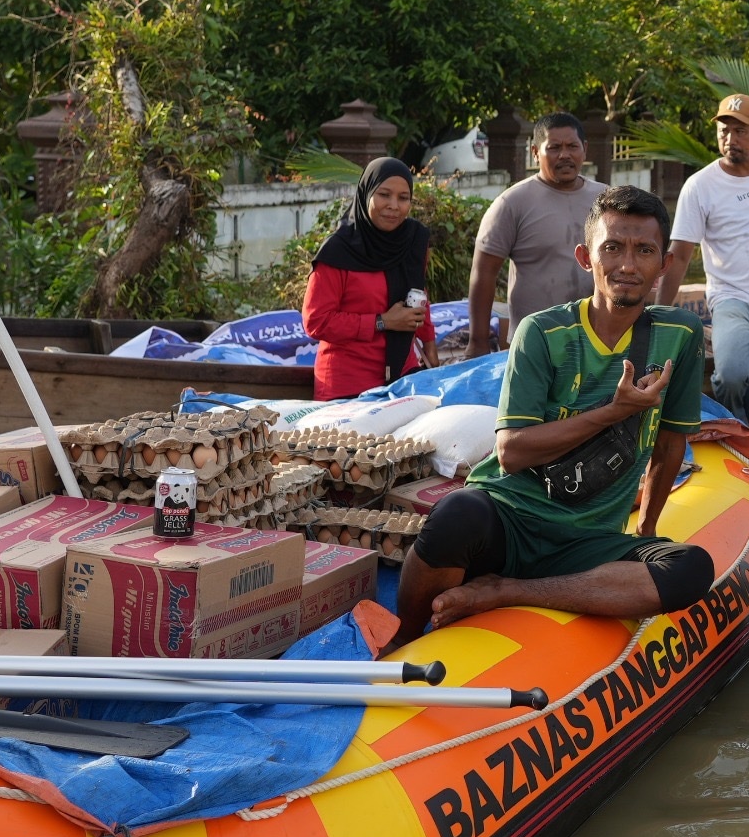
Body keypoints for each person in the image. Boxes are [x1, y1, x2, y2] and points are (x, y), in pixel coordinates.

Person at [393, 185, 716, 645]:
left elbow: (669, 441)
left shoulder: (679, 334)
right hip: (510, 520)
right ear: (586, 258)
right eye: (612, 249)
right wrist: (613, 412)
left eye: (644, 250)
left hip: (588, 539)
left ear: (664, 264)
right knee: (455, 514)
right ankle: (404, 638)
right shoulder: (542, 332)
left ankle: (508, 592)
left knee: (690, 568)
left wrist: (645, 530)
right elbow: (511, 453)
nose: (628, 265)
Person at [660, 92, 749, 443]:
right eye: (724, 130)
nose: (730, 139)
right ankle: (734, 433)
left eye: (740, 131)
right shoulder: (700, 185)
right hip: (730, 298)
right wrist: (659, 313)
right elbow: (679, 253)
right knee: (731, 373)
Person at [467, 113, 608, 357]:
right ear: (535, 152)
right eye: (554, 148)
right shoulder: (512, 203)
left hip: (596, 341)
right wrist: (477, 341)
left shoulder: (606, 200)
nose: (564, 155)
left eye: (572, 146)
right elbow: (483, 273)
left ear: (584, 149)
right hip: (534, 345)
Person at [302, 157, 432, 398]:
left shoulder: (412, 239)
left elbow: (418, 294)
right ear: (366, 194)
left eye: (403, 198)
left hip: (403, 375)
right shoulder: (338, 251)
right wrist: (382, 322)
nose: (394, 205)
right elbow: (316, 321)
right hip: (347, 385)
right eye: (384, 195)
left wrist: (430, 344)